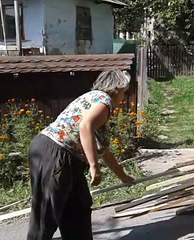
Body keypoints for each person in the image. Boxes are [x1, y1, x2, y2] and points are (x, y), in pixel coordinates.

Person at [27, 70, 134, 240]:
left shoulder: (93, 100)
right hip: (55, 153)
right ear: (117, 88)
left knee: (78, 207)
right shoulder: (103, 101)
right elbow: (85, 126)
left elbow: (104, 152)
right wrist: (93, 166)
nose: (124, 96)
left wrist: (123, 177)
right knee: (46, 213)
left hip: (68, 159)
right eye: (124, 91)